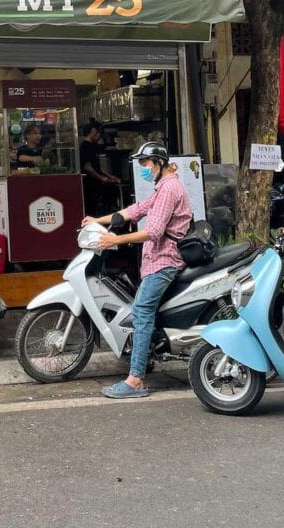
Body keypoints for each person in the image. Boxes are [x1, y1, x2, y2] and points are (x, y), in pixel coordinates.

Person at [83, 141, 192, 399]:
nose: (143, 168)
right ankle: (147, 358)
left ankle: (135, 380)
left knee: (142, 310)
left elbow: (153, 231)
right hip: (157, 260)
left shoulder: (169, 190)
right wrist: (98, 220)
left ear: (159, 163)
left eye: (145, 163)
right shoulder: (162, 187)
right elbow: (135, 211)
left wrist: (115, 240)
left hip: (164, 262)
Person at [79, 120, 121, 216]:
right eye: (99, 133)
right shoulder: (85, 146)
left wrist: (110, 176)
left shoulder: (92, 146)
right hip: (90, 185)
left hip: (95, 183)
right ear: (93, 131)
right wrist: (102, 178)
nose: (100, 137)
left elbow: (97, 167)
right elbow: (88, 167)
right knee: (93, 210)